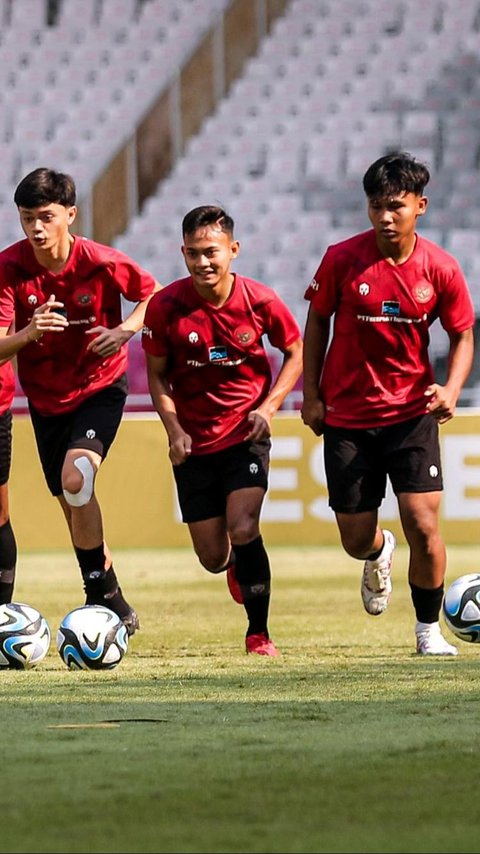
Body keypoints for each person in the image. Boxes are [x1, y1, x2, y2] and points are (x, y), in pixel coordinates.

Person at [301, 151, 475, 656]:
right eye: (376, 205)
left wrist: (451, 388)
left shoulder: (440, 267)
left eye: (396, 205)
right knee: (355, 538)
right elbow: (317, 324)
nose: (384, 216)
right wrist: (312, 395)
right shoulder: (341, 258)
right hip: (348, 419)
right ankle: (378, 552)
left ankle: (427, 632)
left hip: (411, 416)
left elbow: (462, 334)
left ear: (420, 205)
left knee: (424, 524)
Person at [0, 167, 161, 635]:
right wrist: (30, 334)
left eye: (46, 217)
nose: (36, 228)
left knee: (77, 479)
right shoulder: (9, 269)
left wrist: (125, 331)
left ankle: (96, 599)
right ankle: (114, 598)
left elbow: (153, 294)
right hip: (46, 403)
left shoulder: (101, 261)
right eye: (27, 217)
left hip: (99, 389)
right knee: (73, 504)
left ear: (70, 215)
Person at [142, 204, 303, 656]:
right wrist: (173, 429)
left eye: (211, 252)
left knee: (245, 525)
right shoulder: (166, 307)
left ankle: (259, 633)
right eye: (193, 253)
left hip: (245, 434)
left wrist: (269, 409)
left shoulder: (261, 301)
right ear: (183, 253)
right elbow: (157, 375)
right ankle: (234, 564)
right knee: (212, 557)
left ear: (233, 250)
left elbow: (296, 351)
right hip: (192, 444)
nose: (202, 262)